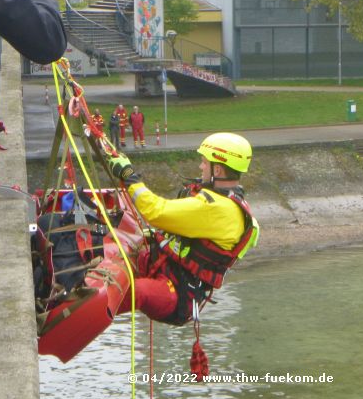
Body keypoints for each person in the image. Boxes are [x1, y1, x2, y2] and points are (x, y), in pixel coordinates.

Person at [108, 133, 259, 325]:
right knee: (115, 248)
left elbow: (156, 211)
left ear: (218, 170)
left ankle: (89, 314)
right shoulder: (227, 202)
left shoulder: (216, 208)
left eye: (204, 163)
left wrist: (128, 175)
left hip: (178, 295)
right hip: (167, 270)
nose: (201, 167)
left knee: (138, 291)